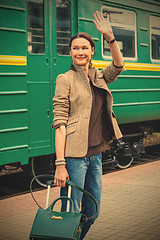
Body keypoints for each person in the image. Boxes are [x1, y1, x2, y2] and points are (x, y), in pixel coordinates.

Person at [52, 11, 125, 239]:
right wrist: (60, 164)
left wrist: (110, 36)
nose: (80, 52)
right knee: (70, 214)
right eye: (75, 48)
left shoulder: (99, 76)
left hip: (96, 156)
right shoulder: (65, 79)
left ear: (92, 51)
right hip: (74, 159)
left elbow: (118, 65)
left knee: (92, 212)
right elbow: (60, 123)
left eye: (85, 47)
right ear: (71, 52)